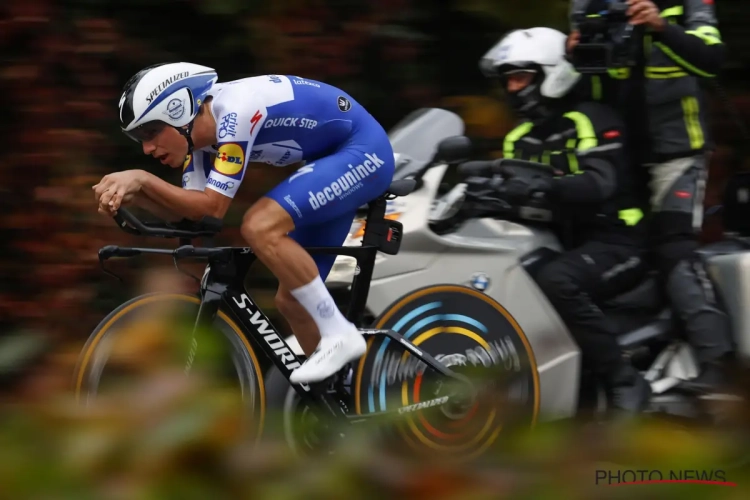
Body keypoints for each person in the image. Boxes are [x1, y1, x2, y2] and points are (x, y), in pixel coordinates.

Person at [94, 64, 396, 384]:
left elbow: (213, 205)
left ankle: (339, 333)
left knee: (259, 225)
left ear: (178, 110)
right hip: (327, 160)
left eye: (149, 132)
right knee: (293, 301)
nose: (147, 148)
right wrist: (137, 196)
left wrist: (141, 179)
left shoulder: (235, 112)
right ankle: (344, 397)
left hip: (362, 150)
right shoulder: (197, 146)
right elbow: (195, 216)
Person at [479, 27, 651, 413]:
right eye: (507, 80)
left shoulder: (589, 119)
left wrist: (544, 187)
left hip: (619, 240)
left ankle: (625, 381)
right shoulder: (519, 138)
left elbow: (599, 182)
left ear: (551, 73)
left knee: (558, 280)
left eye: (520, 77)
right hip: (564, 242)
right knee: (504, 275)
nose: (511, 88)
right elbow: (511, 195)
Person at [567, 0, 734, 392]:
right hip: (617, 153)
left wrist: (661, 27)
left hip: (677, 151)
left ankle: (720, 363)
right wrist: (572, 54)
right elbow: (589, 82)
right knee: (615, 248)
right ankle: (640, 356)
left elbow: (711, 58)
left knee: (673, 247)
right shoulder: (587, 4)